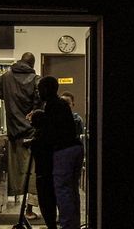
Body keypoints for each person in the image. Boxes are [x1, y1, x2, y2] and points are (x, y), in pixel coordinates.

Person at [0, 52, 42, 220]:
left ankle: (19, 207)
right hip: (33, 133)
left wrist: (4, 95)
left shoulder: (6, 77)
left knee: (16, 171)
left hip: (14, 133)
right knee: (33, 172)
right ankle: (28, 210)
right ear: (32, 64)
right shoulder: (36, 79)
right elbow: (42, 100)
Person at [38, 76, 84, 229]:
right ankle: (73, 224)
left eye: (40, 89)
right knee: (72, 190)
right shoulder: (62, 104)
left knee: (62, 191)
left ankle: (66, 225)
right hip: (76, 148)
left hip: (63, 151)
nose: (38, 93)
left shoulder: (52, 106)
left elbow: (50, 133)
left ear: (46, 89)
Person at [28, 109, 58, 229]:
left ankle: (51, 225)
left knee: (45, 202)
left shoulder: (40, 137)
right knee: (50, 201)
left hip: (43, 173)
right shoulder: (49, 134)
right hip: (51, 172)